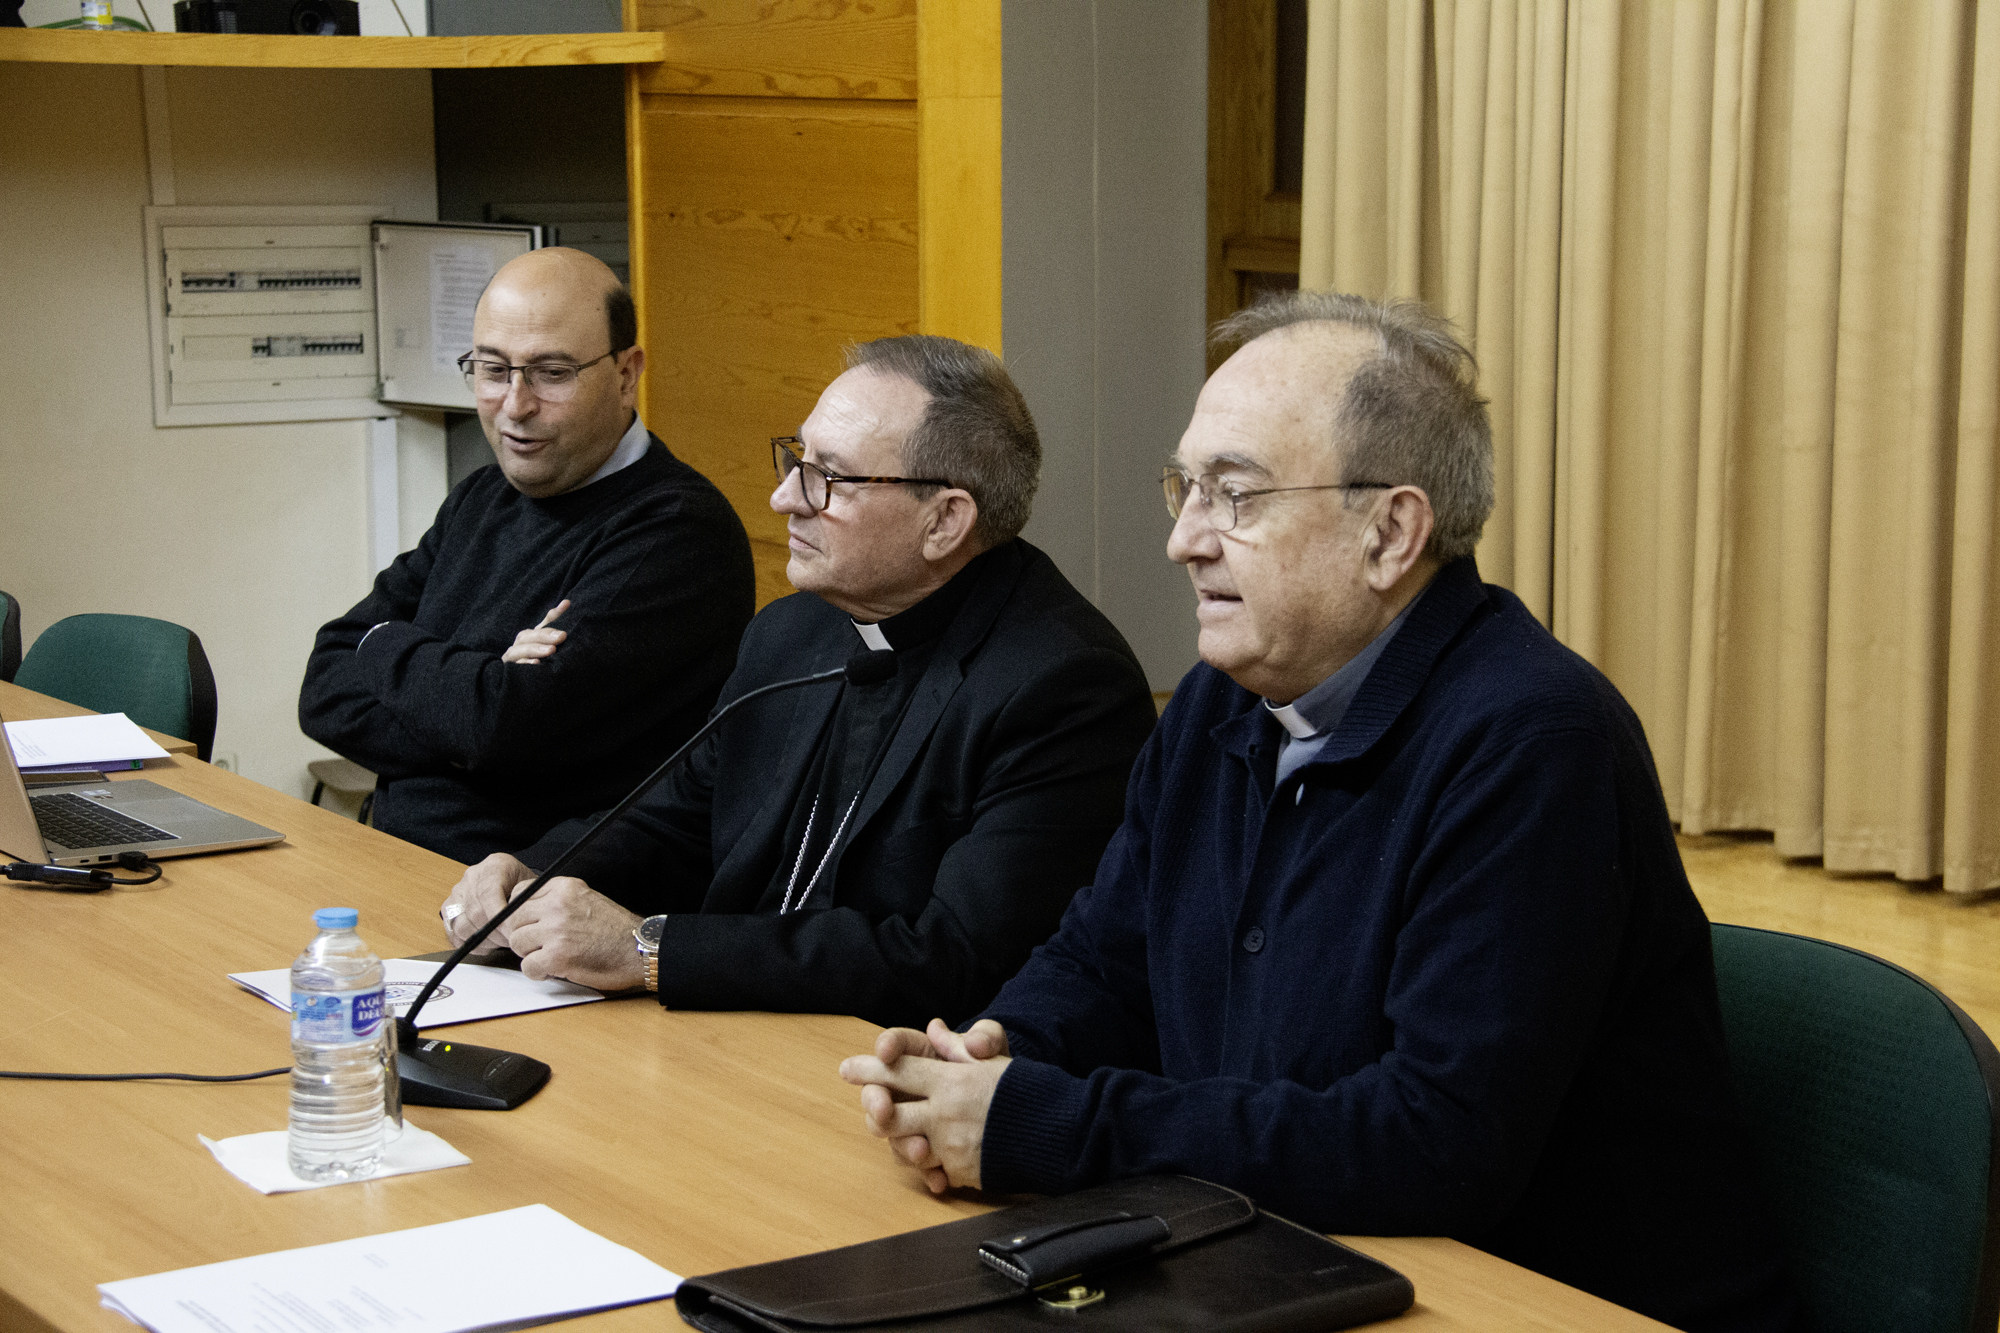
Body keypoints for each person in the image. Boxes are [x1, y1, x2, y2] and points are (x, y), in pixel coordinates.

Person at [840, 295, 1796, 1332]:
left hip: (1542, 1301)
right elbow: (1104, 960)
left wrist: (1054, 1123)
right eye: (1185, 488)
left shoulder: (1534, 741)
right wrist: (1001, 1052)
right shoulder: (1217, 700)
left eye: (1234, 494)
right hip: (1281, 1261)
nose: (1184, 540)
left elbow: (1434, 1142)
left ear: (1390, 533)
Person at [438, 334, 1158, 1030]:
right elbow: (676, 820)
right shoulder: (790, 631)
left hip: (881, 1063)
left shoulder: (1064, 687)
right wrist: (532, 876)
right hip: (727, 1027)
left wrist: (651, 951)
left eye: (829, 479)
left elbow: (954, 958)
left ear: (944, 521)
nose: (785, 497)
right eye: (796, 458)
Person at [298, 247, 754, 864]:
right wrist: (477, 695)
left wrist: (382, 643)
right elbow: (325, 687)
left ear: (626, 374)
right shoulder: (482, 498)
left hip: (529, 897)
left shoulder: (677, 532)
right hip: (393, 862)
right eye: (493, 369)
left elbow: (505, 726)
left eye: (552, 373)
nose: (515, 405)